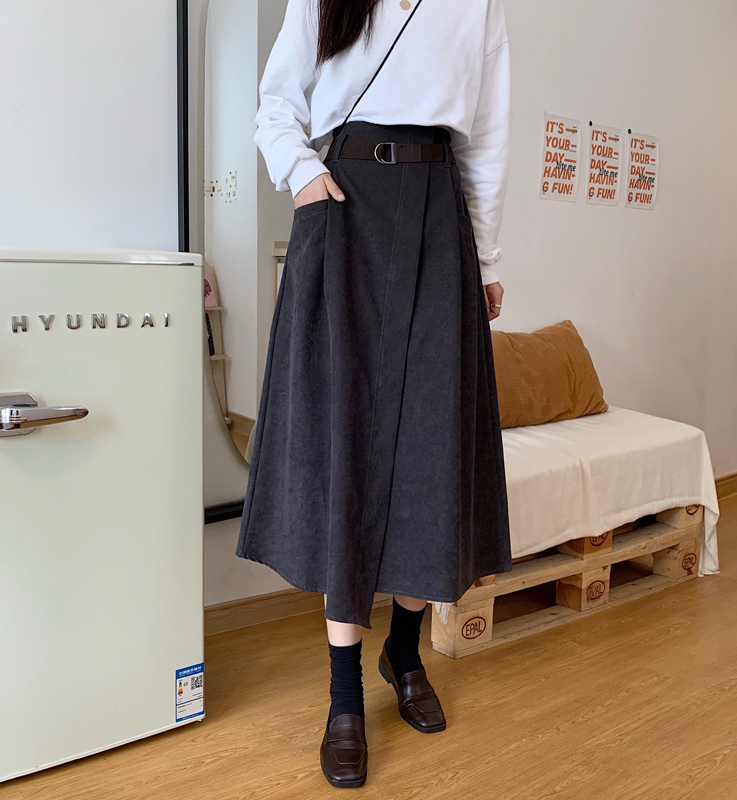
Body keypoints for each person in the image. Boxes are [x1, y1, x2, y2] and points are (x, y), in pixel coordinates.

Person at [236, 0, 513, 788]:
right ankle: (343, 697)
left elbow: (487, 138)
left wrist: (487, 260)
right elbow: (276, 101)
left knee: (431, 449)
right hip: (344, 205)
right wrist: (301, 174)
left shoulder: (478, 5)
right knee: (345, 448)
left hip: (438, 216)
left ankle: (402, 652)